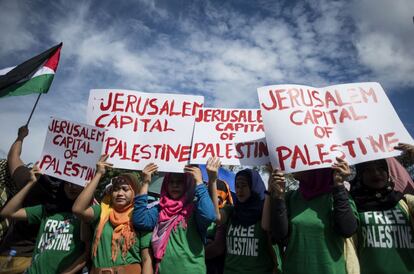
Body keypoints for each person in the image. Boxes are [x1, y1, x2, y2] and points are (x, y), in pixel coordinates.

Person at [263, 157, 358, 274]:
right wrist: (278, 196)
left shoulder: (338, 197)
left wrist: (338, 185)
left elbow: (347, 230)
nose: (292, 163)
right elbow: (279, 236)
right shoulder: (291, 197)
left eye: (299, 160)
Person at [72, 155, 153, 274]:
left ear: (135, 192)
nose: (120, 193)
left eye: (125, 189)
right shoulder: (102, 212)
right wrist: (99, 174)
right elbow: (78, 209)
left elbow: (146, 259)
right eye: (116, 189)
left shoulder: (140, 217)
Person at [0, 164, 86, 274]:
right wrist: (31, 183)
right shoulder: (47, 209)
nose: (72, 186)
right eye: (68, 182)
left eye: (77, 183)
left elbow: (87, 253)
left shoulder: (86, 215)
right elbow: (9, 212)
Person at [133, 163, 216, 274]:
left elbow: (210, 215)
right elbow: (140, 220)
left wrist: (199, 182)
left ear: (188, 185)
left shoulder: (195, 209)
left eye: (180, 182)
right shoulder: (160, 209)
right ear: (165, 184)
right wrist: (145, 182)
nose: (175, 185)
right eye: (171, 182)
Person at [0, 126, 59, 274]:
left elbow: (13, 157)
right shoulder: (73, 196)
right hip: (43, 262)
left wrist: (21, 136)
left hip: (11, 255)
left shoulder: (29, 180)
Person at [350, 143, 414, 274]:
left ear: (388, 173)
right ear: (360, 175)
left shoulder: (405, 202)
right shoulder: (353, 205)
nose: (375, 173)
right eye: (368, 170)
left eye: (380, 168)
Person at [207, 157, 277, 274]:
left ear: (254, 186)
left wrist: (271, 185)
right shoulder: (231, 210)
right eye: (237, 186)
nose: (239, 190)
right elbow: (216, 217)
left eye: (244, 185)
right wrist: (212, 180)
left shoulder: (264, 209)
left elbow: (266, 225)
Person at [205, 179, 233, 274]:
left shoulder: (226, 214)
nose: (213, 201)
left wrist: (192, 253)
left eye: (218, 199)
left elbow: (217, 248)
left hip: (216, 267)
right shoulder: (201, 210)